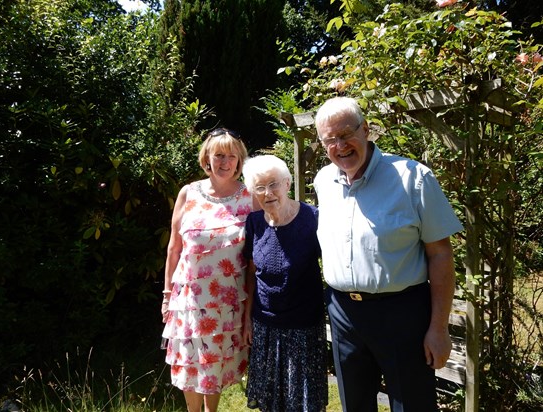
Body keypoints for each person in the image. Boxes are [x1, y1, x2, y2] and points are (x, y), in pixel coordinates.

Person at [313, 96, 464, 412]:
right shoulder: (324, 180)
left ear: (366, 130)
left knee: (412, 405)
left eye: (346, 134)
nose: (340, 146)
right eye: (330, 139)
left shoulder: (413, 178)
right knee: (355, 405)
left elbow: (440, 255)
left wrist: (439, 328)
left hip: (402, 313)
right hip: (344, 313)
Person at [161, 128, 256, 412]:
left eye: (231, 156)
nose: (225, 162)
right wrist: (167, 295)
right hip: (189, 299)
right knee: (189, 362)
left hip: (227, 301)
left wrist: (249, 312)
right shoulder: (188, 193)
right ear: (207, 158)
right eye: (218, 156)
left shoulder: (250, 197)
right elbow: (174, 248)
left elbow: (253, 262)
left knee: (214, 364)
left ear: (239, 160)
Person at [241, 155, 328, 412]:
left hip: (303, 327)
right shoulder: (254, 223)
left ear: (287, 183)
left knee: (302, 402)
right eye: (259, 187)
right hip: (266, 325)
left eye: (273, 184)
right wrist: (247, 319)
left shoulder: (313, 219)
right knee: (270, 401)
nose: (267, 193)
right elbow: (251, 273)